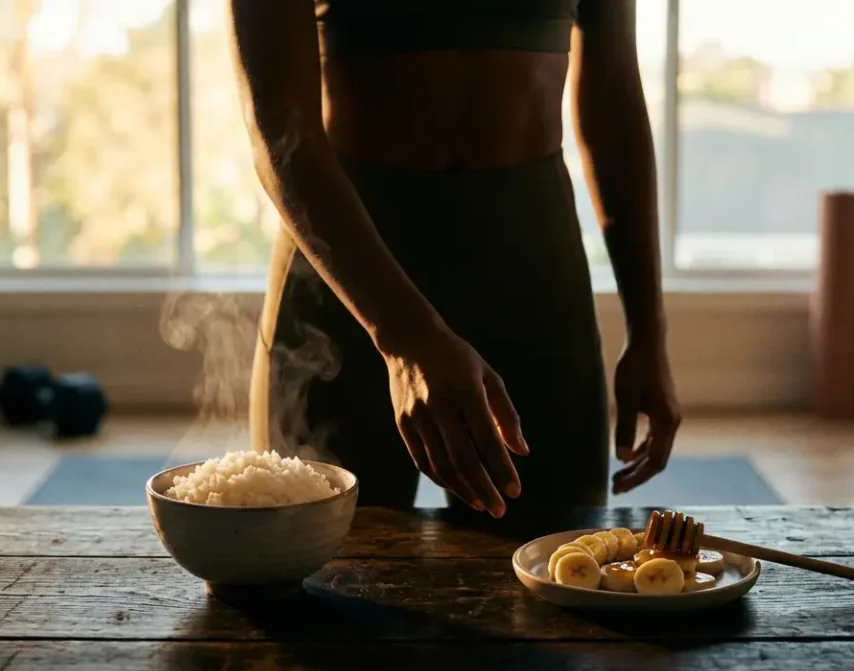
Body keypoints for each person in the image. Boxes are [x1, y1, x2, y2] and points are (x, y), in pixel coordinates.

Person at [234, 0, 680, 517]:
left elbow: (614, 99)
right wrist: (404, 335)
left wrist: (648, 330)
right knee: (319, 567)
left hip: (530, 263)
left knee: (557, 567)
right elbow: (280, 129)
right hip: (350, 268)